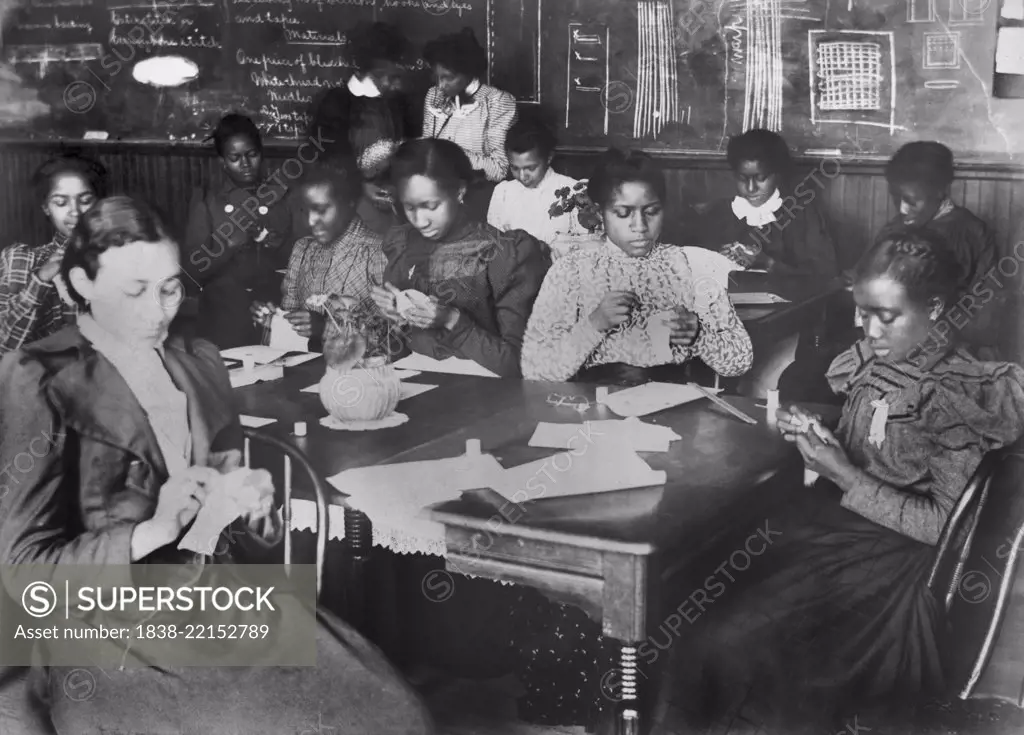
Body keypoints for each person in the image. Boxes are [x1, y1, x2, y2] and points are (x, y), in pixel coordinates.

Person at [0, 196, 435, 735]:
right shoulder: (36, 378)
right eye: (133, 291)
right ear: (83, 285)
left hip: (216, 598)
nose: (157, 310)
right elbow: (25, 573)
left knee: (393, 718)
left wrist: (254, 506)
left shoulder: (198, 364)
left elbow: (237, 530)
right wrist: (152, 531)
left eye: (169, 287)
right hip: (104, 628)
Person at [673, 229, 1024, 731]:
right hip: (839, 535)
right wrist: (823, 442)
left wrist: (842, 472)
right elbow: (878, 447)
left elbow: (947, 531)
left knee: (736, 640)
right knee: (698, 600)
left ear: (938, 309)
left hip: (893, 571)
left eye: (886, 316)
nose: (869, 330)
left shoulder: (954, 392)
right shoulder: (882, 361)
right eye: (862, 311)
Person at [521, 148, 753, 385]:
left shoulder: (692, 266)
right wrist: (594, 324)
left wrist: (699, 335)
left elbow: (740, 361)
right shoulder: (571, 272)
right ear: (600, 213)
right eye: (623, 213)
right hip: (596, 407)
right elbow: (535, 370)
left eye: (651, 212)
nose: (640, 226)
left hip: (676, 404)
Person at [371, 138, 549, 378]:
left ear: (459, 191)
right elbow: (396, 349)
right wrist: (394, 318)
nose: (420, 221)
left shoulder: (502, 254)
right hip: (413, 383)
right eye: (410, 208)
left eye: (431, 206)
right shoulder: (403, 245)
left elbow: (519, 366)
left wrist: (452, 319)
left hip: (485, 391)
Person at [250, 157, 391, 353]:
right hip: (307, 370)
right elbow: (291, 317)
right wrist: (273, 320)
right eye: (305, 210)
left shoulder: (378, 252)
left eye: (321, 210)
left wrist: (326, 327)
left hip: (361, 374)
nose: (310, 221)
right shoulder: (303, 249)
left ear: (349, 203)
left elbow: (392, 336)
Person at [875, 141, 1002, 358]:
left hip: (949, 347)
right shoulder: (895, 227)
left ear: (940, 191)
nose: (902, 209)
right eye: (896, 198)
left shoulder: (971, 233)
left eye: (911, 201)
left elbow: (986, 315)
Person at [181, 114, 294, 350]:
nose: (245, 164)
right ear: (222, 161)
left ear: (261, 154)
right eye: (235, 158)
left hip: (273, 307)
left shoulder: (282, 194)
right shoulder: (207, 199)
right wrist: (228, 246)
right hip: (223, 312)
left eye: (252, 155)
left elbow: (300, 258)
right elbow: (192, 271)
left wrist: (269, 241)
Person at [306, 21, 415, 234]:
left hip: (396, 205)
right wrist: (361, 186)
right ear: (370, 70)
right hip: (350, 207)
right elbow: (326, 160)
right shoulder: (334, 104)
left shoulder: (398, 104)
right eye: (391, 77)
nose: (398, 85)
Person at [690, 129, 839, 279]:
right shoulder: (718, 212)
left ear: (777, 174)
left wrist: (768, 263)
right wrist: (717, 259)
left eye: (760, 178)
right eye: (742, 179)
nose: (750, 188)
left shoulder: (802, 215)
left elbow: (825, 273)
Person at [0, 153, 107, 356]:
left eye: (85, 200)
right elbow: (4, 346)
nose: (75, 211)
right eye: (61, 203)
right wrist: (40, 280)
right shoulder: (21, 259)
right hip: (37, 380)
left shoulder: (117, 256)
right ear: (46, 207)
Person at [422, 28, 517, 220]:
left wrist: (449, 152)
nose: (440, 86)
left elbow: (499, 169)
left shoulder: (498, 102)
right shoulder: (433, 95)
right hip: (436, 199)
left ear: (468, 72)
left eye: (448, 77)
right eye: (437, 77)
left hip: (477, 203)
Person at [487, 118, 583, 250]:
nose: (522, 176)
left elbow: (584, 245)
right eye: (515, 168)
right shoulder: (503, 192)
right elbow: (494, 244)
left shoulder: (573, 190)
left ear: (549, 157)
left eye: (530, 168)